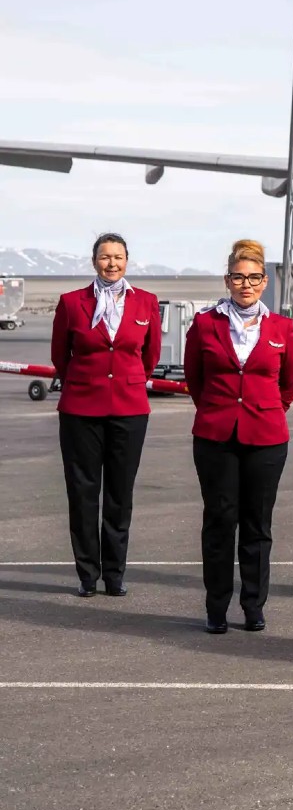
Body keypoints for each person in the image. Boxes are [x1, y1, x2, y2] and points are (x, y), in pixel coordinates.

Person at [184, 240, 293, 634]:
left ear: (265, 282)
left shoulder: (282, 328)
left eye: (254, 278)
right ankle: (216, 608)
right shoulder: (205, 324)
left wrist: (264, 412)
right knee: (219, 521)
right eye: (239, 277)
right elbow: (196, 381)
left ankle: (253, 604)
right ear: (228, 280)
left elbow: (290, 385)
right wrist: (222, 411)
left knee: (257, 524)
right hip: (216, 436)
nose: (246, 284)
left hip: (266, 437)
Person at [50, 233, 161, 597]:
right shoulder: (71, 303)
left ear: (127, 260)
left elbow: (150, 358)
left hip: (129, 411)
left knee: (119, 494)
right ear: (93, 260)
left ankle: (114, 574)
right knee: (83, 492)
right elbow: (59, 356)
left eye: (118, 257)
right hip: (81, 409)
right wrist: (83, 383)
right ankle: (87, 575)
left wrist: (126, 383)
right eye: (104, 257)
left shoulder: (145, 303)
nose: (111, 263)